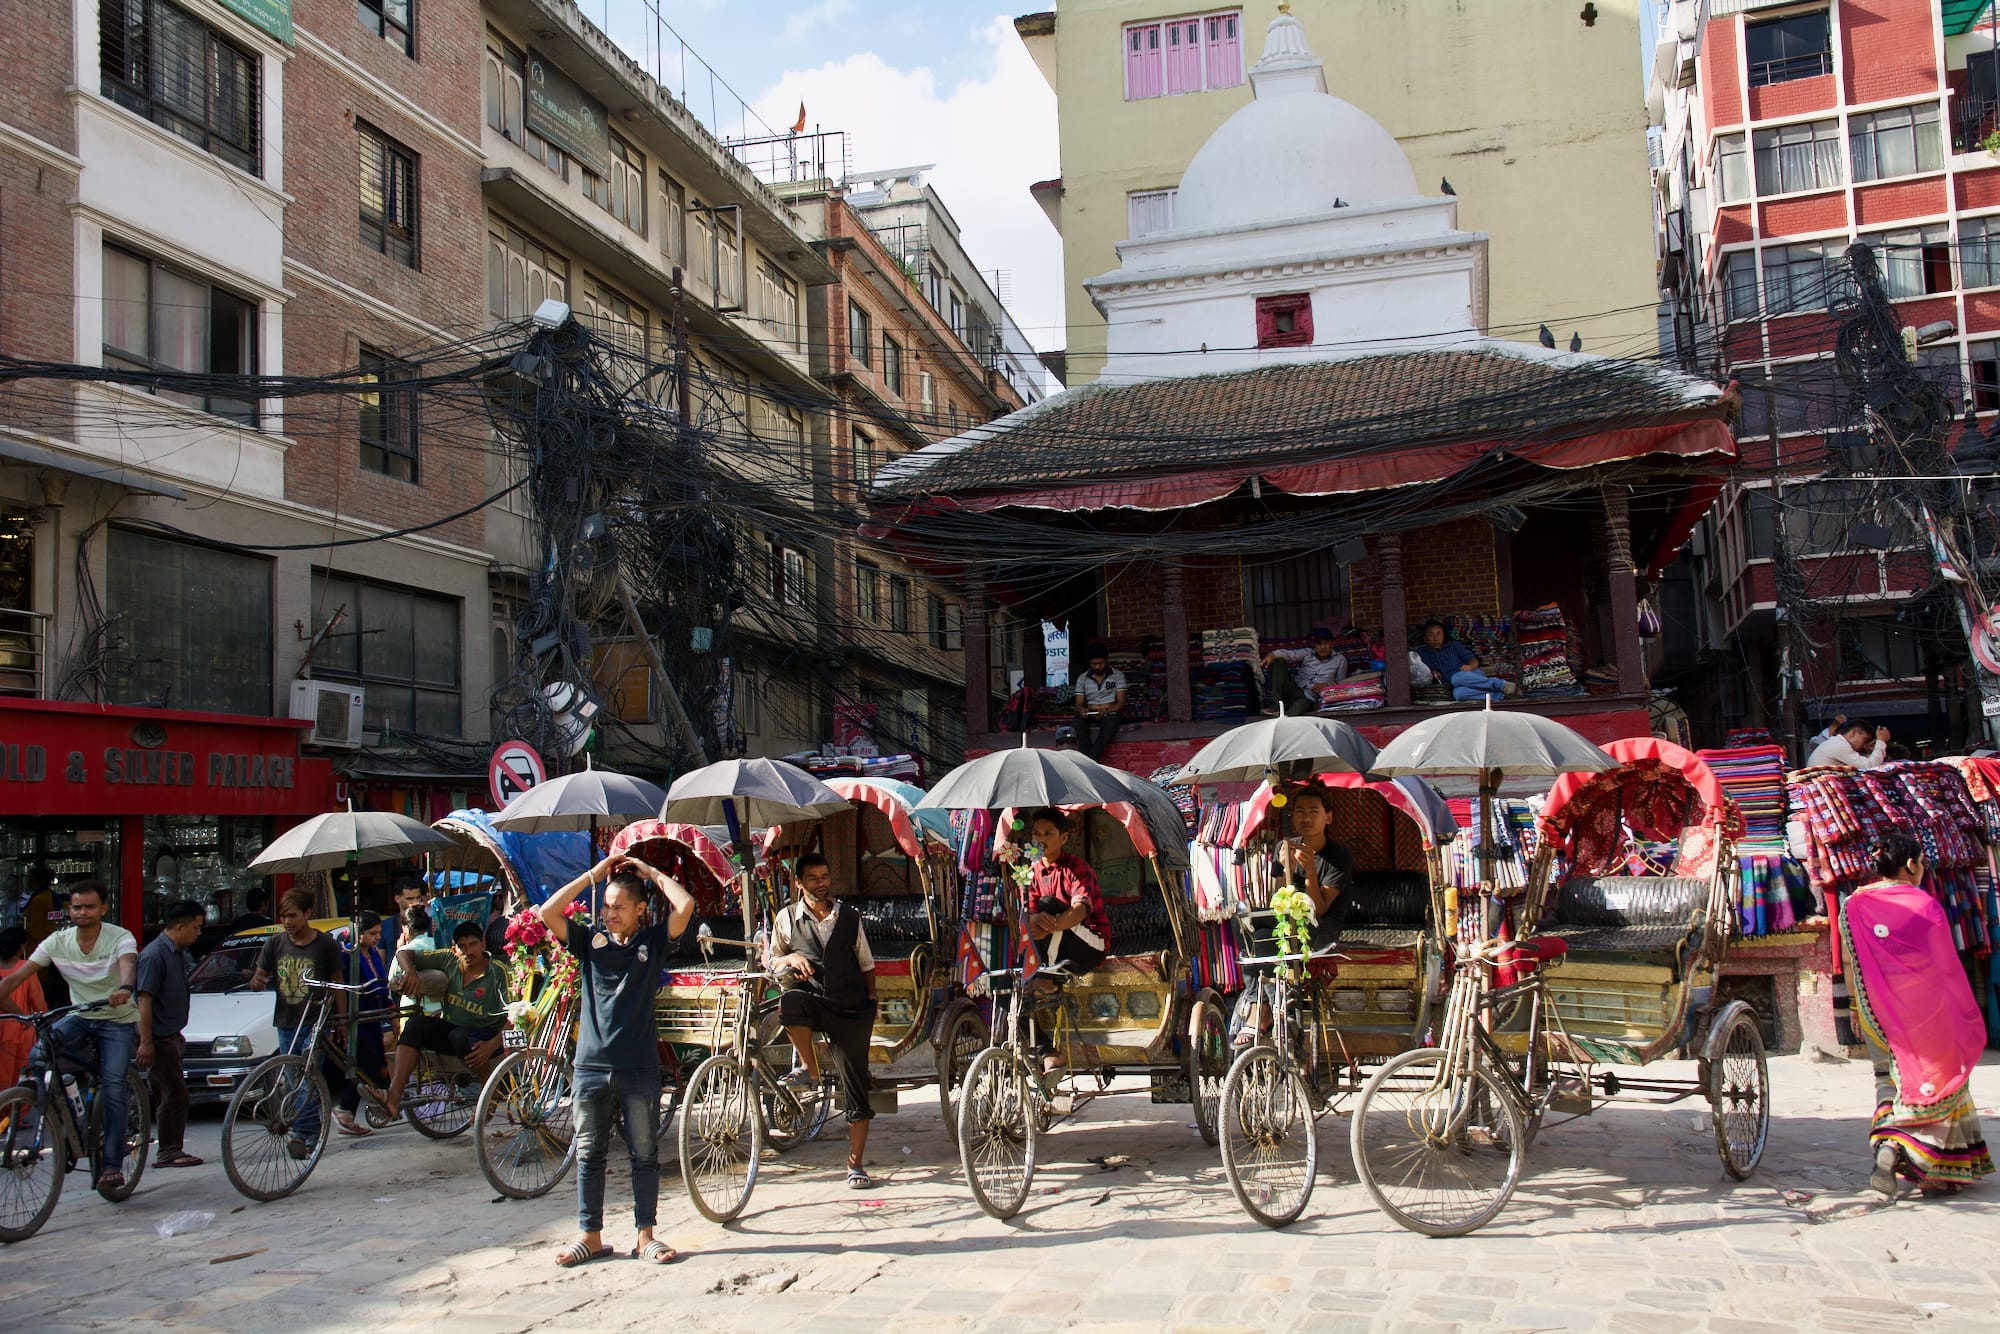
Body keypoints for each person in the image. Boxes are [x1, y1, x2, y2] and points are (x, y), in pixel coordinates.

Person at [539, 854, 694, 1267]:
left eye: (619, 907)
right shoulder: (590, 943)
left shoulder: (653, 943)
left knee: (643, 1154)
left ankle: (646, 1236)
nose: (609, 914)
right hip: (590, 1067)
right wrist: (592, 874)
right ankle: (590, 1235)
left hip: (639, 1068)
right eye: (605, 906)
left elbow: (686, 907)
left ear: (640, 910)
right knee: (589, 1153)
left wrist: (652, 872)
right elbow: (547, 911)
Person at [1840, 833, 1992, 1197]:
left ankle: (1889, 1147)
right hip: (1926, 1015)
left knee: (1890, 1083)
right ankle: (1930, 1168)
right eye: (1921, 862)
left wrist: (1859, 1008)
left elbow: (1850, 963)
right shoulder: (1924, 905)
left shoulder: (1854, 904)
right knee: (1940, 1083)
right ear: (1910, 865)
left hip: (1876, 1013)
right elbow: (1943, 968)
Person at [0, 881, 139, 1192]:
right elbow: (19, 976)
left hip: (117, 1019)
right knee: (39, 1054)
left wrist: (124, 989)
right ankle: (64, 1118)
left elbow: (128, 966)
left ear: (103, 908)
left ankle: (113, 1163)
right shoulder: (57, 941)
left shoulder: (120, 937)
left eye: (90, 907)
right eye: (76, 907)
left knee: (114, 1083)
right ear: (69, 910)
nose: (82, 912)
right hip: (80, 1016)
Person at [769, 852, 881, 1189]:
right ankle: (810, 1066)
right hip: (814, 1001)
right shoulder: (787, 918)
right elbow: (773, 960)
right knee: (789, 1002)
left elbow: (866, 962)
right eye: (814, 878)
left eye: (825, 876)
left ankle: (855, 1165)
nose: (822, 883)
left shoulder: (848, 916)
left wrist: (871, 1003)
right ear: (799, 883)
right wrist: (790, 956)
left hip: (850, 1008)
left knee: (856, 1089)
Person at [1237, 784, 1355, 1044]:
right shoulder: (1284, 845)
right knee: (1248, 923)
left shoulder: (1339, 856)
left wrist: (1310, 871)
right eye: (1300, 811)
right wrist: (1284, 868)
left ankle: (1265, 1009)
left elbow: (1320, 907)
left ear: (1328, 817)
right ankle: (1263, 1002)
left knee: (1271, 932)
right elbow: (1276, 900)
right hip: (1288, 920)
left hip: (1322, 927)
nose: (1306, 818)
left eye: (1314, 811)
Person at [247, 889, 346, 1156]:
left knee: (307, 1078)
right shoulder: (275, 944)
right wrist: (256, 982)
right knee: (293, 1080)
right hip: (286, 1021)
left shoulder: (325, 944)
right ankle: (308, 1130)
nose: (287, 921)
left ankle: (304, 1135)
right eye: (283, 916)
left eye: (293, 916)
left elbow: (337, 982)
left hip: (316, 1022)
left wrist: (341, 1020)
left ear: (307, 914)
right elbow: (260, 976)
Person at [1015, 810, 1112, 1071]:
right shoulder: (1030, 871)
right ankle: (1047, 1051)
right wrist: (1034, 920)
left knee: (1047, 906)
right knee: (1007, 994)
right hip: (1053, 946)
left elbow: (1081, 910)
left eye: (1048, 833)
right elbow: (1029, 913)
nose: (1041, 839)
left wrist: (1050, 925)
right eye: (1037, 833)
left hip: (1088, 944)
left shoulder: (1076, 868)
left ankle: (1045, 974)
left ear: (1064, 837)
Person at [386, 919, 508, 1119]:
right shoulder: (448, 959)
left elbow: (513, 1015)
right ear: (455, 949)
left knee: (460, 1036)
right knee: (415, 1024)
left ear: (483, 944)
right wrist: (410, 971)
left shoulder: (498, 972)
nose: (469, 951)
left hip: (486, 1036)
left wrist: (492, 1043)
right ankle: (394, 1096)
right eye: (462, 946)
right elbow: (403, 953)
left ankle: (490, 1090)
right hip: (453, 1031)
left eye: (473, 944)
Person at [136, 899, 205, 1168]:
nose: (198, 933)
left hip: (171, 1034)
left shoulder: (176, 952)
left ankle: (171, 1147)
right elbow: (145, 999)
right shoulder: (154, 956)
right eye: (196, 928)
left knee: (173, 1093)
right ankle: (168, 1150)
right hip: (158, 1037)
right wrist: (145, 1041)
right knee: (173, 1094)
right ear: (180, 926)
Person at [335, 911, 392, 1137]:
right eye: (372, 933)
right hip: (358, 1020)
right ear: (359, 933)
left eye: (378, 933)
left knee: (373, 1066)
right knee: (370, 1066)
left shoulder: (373, 954)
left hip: (375, 1018)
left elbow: (381, 982)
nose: (377, 937)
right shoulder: (347, 956)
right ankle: (345, 1109)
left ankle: (349, 1111)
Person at [1416, 620, 1515, 702]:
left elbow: (1474, 661)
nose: (1435, 638)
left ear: (1443, 635)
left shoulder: (1454, 646)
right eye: (1431, 635)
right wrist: (1430, 673)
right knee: (1458, 694)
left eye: (1439, 634)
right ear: (1425, 638)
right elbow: (1418, 672)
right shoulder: (1421, 653)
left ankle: (1501, 685)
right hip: (1453, 685)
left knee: (1456, 678)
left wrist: (1470, 667)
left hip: (1469, 675)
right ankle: (1500, 696)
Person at [1261, 626, 1348, 716]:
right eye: (1319, 644)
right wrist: (1272, 655)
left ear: (1332, 644)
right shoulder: (1308, 653)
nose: (1323, 647)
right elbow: (1289, 654)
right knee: (1278, 661)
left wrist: (1326, 687)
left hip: (1309, 698)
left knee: (1295, 712)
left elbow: (1341, 685)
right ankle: (1276, 704)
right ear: (1315, 645)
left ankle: (1285, 718)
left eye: (1326, 643)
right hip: (1294, 690)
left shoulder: (1340, 660)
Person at [0, 926, 45, 1089]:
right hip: (21, 1029)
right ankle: (16, 1112)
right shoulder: (25, 968)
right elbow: (37, 1001)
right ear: (21, 946)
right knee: (21, 1078)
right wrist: (43, 1021)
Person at [1072, 643, 1128, 761]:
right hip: (1090, 712)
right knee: (1077, 725)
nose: (1097, 667)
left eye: (1100, 663)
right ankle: (1091, 759)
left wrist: (1106, 710)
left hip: (1110, 711)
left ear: (1106, 661)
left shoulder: (1117, 676)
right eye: (1094, 664)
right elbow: (1078, 705)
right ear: (1090, 663)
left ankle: (1091, 761)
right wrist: (1082, 709)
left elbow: (1121, 703)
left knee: (1110, 724)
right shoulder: (1082, 678)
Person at [20, 866, 66, 1009]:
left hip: (38, 943)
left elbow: (36, 927)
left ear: (39, 882)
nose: (28, 883)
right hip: (47, 940)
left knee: (39, 980)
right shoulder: (49, 896)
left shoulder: (39, 900)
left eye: (31, 880)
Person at [1807, 718, 1890, 770]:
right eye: (1865, 740)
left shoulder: (1837, 742)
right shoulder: (1839, 745)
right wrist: (1881, 741)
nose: (1864, 746)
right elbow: (1870, 767)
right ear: (1853, 733)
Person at [391, 878, 425, 950]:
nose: (416, 902)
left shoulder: (432, 923)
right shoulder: (385, 926)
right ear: (397, 899)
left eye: (418, 898)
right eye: (410, 898)